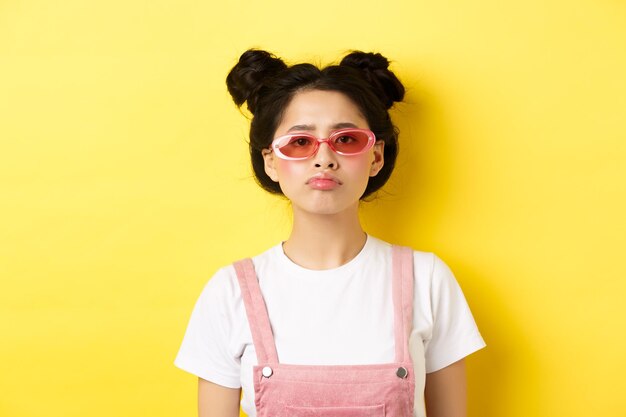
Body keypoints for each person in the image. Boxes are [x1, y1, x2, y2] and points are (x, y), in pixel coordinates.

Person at [175, 49, 486, 417]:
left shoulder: (428, 279)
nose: (324, 158)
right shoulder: (229, 292)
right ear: (270, 161)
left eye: (346, 139)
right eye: (301, 142)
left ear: (376, 157)